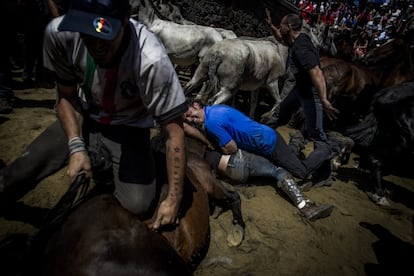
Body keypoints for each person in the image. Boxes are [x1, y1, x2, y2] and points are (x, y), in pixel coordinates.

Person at [42, 0, 188, 231]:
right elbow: (66, 96)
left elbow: (174, 131)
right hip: (83, 118)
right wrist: (76, 145)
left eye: (105, 34)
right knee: (21, 172)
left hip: (129, 128)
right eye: (87, 34)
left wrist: (173, 198)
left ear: (125, 19)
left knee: (137, 204)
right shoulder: (60, 34)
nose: (96, 45)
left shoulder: (151, 59)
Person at [183, 100, 336, 192]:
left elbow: (232, 148)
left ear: (196, 105)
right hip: (267, 136)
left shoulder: (211, 123)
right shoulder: (215, 108)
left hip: (269, 144)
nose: (192, 119)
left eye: (190, 113)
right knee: (284, 161)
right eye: (188, 119)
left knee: (301, 172)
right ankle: (297, 142)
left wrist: (218, 148)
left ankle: (329, 148)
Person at [264, 13, 340, 186]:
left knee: (317, 136)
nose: (280, 27)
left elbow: (317, 72)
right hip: (300, 90)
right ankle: (260, 141)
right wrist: (272, 26)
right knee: (279, 115)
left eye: (281, 24)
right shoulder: (294, 39)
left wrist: (324, 99)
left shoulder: (301, 48)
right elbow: (282, 39)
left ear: (289, 27)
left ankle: (311, 171)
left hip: (311, 94)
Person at [187, 132, 334, 221]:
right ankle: (304, 205)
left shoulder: (188, 152)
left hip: (229, 173)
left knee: (268, 170)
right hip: (238, 162)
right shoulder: (205, 133)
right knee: (277, 169)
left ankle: (296, 143)